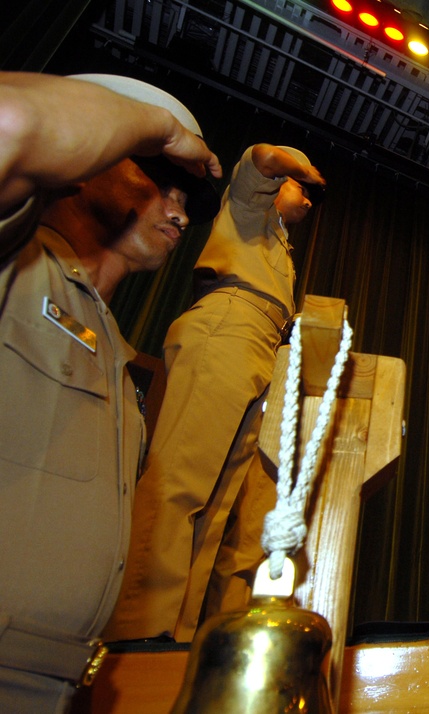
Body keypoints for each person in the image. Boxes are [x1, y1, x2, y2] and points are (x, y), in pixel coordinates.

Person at [0, 71, 220, 713]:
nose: (179, 211)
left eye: (183, 195)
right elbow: (12, 122)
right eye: (155, 180)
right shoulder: (17, 265)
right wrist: (160, 125)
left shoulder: (117, 354)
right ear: (82, 165)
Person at [104, 143, 325, 642]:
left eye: (311, 193)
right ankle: (139, 628)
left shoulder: (282, 248)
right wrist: (300, 164)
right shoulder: (249, 208)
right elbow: (263, 159)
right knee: (182, 478)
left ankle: (180, 635)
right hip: (229, 323)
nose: (308, 199)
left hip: (264, 342)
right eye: (301, 189)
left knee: (221, 501)